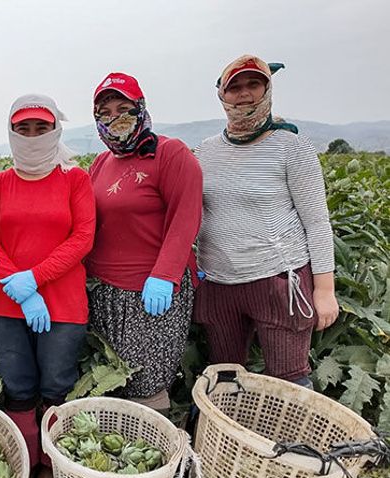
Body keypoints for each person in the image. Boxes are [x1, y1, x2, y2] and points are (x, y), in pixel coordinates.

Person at [193, 55, 339, 387]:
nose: (244, 93)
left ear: (267, 90)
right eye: (235, 87)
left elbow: (317, 222)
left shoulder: (292, 148)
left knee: (289, 380)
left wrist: (325, 290)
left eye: (253, 84)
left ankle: (292, 441)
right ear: (221, 94)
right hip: (219, 284)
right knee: (226, 377)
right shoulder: (205, 151)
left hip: (278, 281)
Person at [0, 94, 94, 478]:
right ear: (11, 133)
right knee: (19, 389)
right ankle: (24, 465)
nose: (32, 136)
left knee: (55, 389)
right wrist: (18, 285)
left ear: (55, 130)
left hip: (63, 304)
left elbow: (83, 237)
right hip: (7, 304)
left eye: (41, 128)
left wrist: (35, 278)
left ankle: (48, 476)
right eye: (23, 129)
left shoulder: (74, 179)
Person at [85, 72, 203, 413]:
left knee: (146, 383)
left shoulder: (170, 154)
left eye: (124, 108)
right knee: (113, 380)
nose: (115, 118)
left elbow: (186, 217)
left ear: (141, 108)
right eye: (105, 112)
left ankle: (159, 458)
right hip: (104, 292)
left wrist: (165, 275)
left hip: (151, 294)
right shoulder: (101, 162)